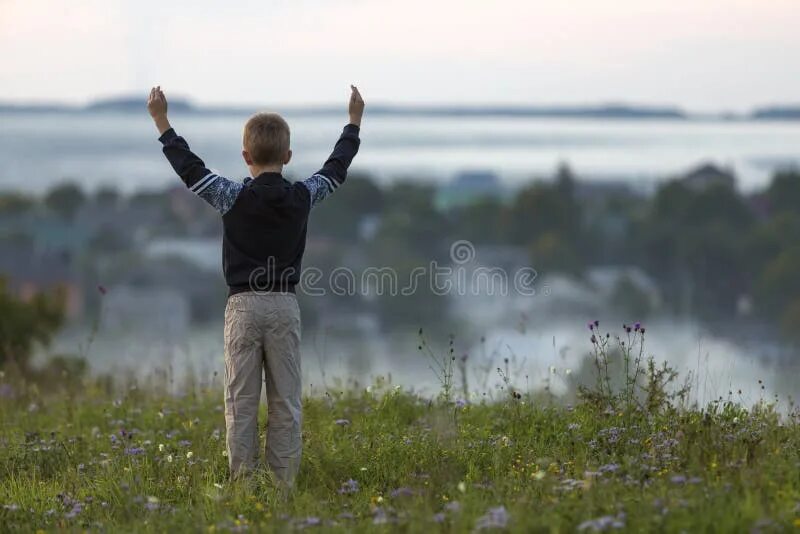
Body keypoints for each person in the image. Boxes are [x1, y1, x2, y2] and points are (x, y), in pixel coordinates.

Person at [146, 85, 364, 486]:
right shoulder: (302, 196)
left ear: (246, 157)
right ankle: (282, 488)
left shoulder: (230, 196)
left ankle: (243, 486)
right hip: (283, 305)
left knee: (241, 402)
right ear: (288, 157)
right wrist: (353, 122)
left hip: (243, 307)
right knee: (286, 403)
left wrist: (162, 122)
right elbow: (336, 169)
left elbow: (190, 170)